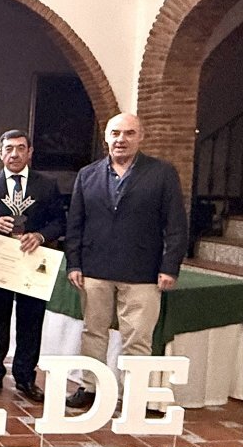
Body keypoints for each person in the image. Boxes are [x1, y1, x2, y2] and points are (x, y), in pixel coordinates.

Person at [64, 112, 187, 409]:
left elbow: (176, 224)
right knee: (93, 333)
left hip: (142, 271)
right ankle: (91, 388)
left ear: (141, 137)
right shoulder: (87, 174)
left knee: (137, 339)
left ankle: (134, 396)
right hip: (94, 269)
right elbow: (75, 223)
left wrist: (169, 267)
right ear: (106, 137)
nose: (121, 139)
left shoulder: (162, 173)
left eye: (129, 133)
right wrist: (74, 263)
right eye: (116, 133)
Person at [0, 129, 65, 403]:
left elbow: (59, 222)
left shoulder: (47, 185)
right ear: (0, 152)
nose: (14, 154)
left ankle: (25, 377)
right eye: (9, 148)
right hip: (0, 262)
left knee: (30, 320)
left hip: (34, 262)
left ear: (30, 152)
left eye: (20, 148)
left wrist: (40, 235)